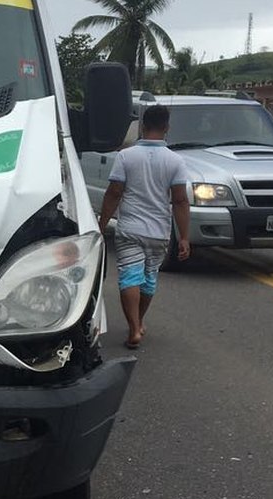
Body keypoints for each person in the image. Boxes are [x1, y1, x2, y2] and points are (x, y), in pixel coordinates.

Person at [98, 105, 190, 350]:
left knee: (130, 276)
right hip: (159, 231)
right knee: (148, 279)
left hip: (129, 229)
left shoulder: (126, 156)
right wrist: (184, 237)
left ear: (142, 126)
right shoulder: (176, 160)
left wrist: (101, 224)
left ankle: (134, 328)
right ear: (167, 128)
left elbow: (115, 192)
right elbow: (180, 200)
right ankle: (139, 322)